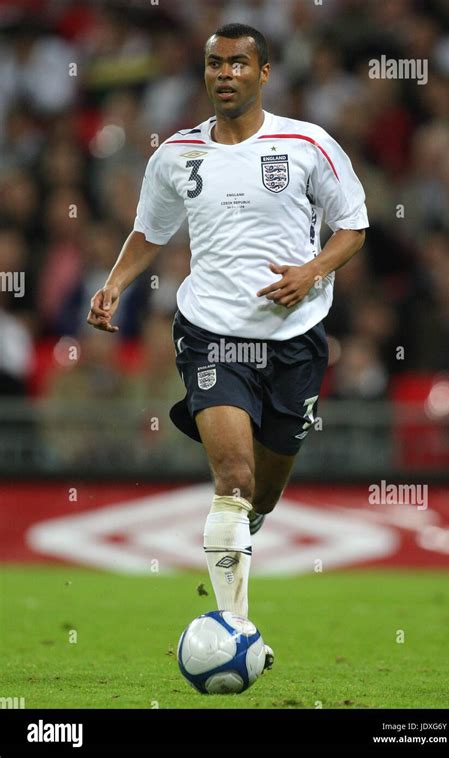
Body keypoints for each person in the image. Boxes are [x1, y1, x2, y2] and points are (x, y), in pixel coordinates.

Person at [87, 23, 368, 670]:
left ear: (264, 73)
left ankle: (243, 540)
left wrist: (312, 271)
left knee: (262, 495)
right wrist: (114, 285)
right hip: (212, 335)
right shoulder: (177, 156)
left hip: (295, 344)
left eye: (239, 63)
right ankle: (236, 630)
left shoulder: (307, 144)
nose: (225, 74)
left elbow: (354, 227)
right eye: (215, 64)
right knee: (233, 479)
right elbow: (148, 230)